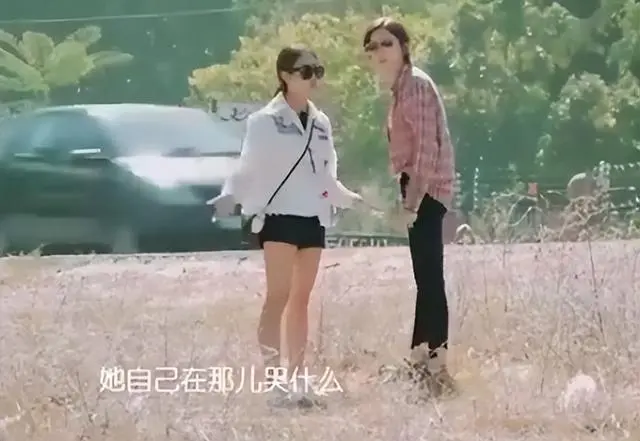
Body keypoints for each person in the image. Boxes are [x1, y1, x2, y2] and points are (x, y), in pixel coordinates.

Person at [208, 45, 363, 408]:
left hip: (313, 217)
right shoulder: (264, 121)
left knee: (301, 299)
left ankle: (298, 377)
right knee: (278, 295)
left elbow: (326, 177)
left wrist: (348, 198)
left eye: (317, 71)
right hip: (278, 216)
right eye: (305, 72)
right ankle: (274, 380)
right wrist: (229, 195)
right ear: (285, 76)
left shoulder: (321, 123)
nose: (313, 79)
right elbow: (247, 167)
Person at [362, 17, 457, 396]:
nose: (379, 52)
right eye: (372, 47)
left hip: (427, 189)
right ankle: (420, 358)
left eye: (386, 43)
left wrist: (412, 203)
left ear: (403, 47)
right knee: (425, 278)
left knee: (430, 278)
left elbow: (426, 150)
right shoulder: (401, 88)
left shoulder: (415, 84)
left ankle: (437, 363)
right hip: (420, 188)